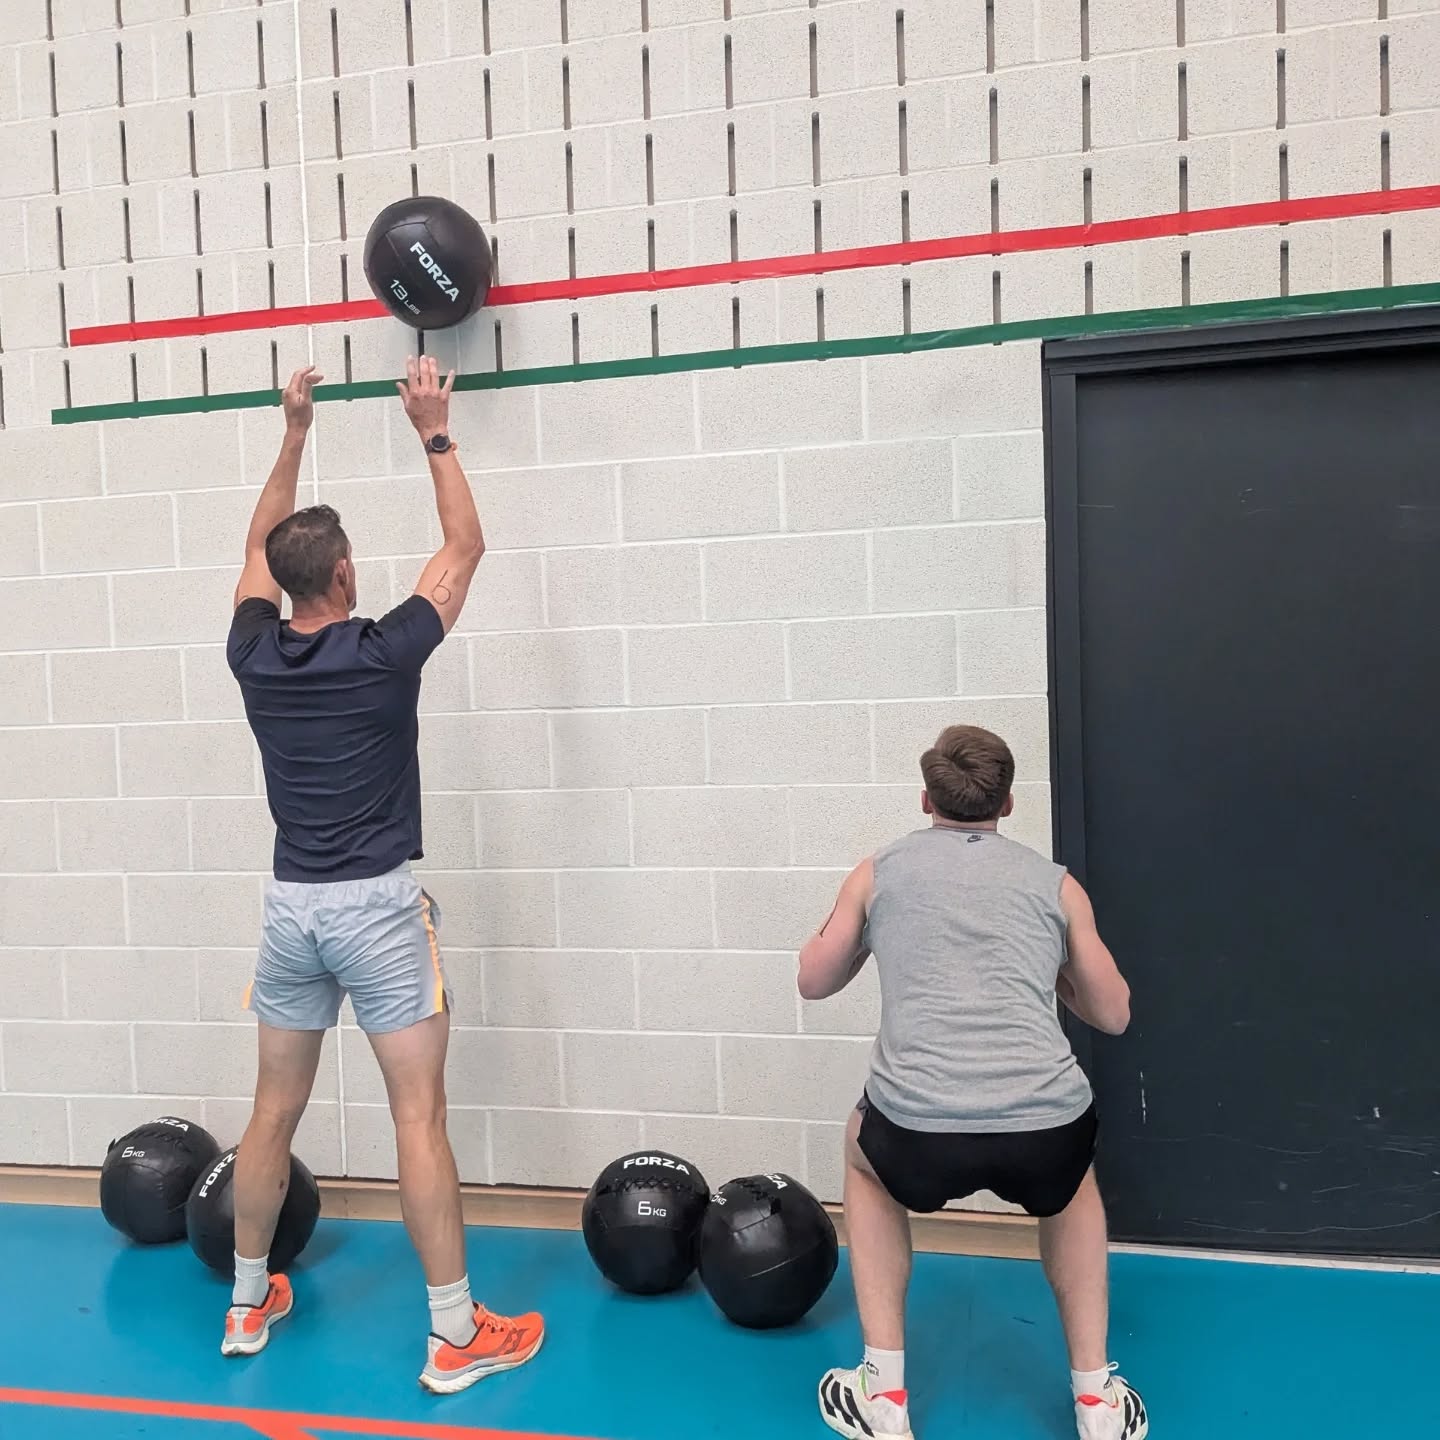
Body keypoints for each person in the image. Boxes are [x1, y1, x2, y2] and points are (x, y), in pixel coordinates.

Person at [222, 357, 543, 1394]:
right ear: (348, 577)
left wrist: (293, 432)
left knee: (273, 1112)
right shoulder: (383, 649)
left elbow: (251, 548)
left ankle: (245, 1303)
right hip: (374, 908)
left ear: (284, 582)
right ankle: (454, 1337)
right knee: (419, 1118)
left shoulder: (253, 654)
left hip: (290, 910)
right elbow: (466, 547)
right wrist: (435, 431)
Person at [797, 725, 1146, 1440]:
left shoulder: (878, 871)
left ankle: (883, 1395)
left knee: (863, 1158)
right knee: (1073, 1186)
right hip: (1045, 1133)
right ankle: (1096, 1401)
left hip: (916, 1136)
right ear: (1008, 803)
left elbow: (813, 980)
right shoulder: (1055, 884)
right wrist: (1055, 976)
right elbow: (1113, 1014)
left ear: (927, 798)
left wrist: (865, 931)